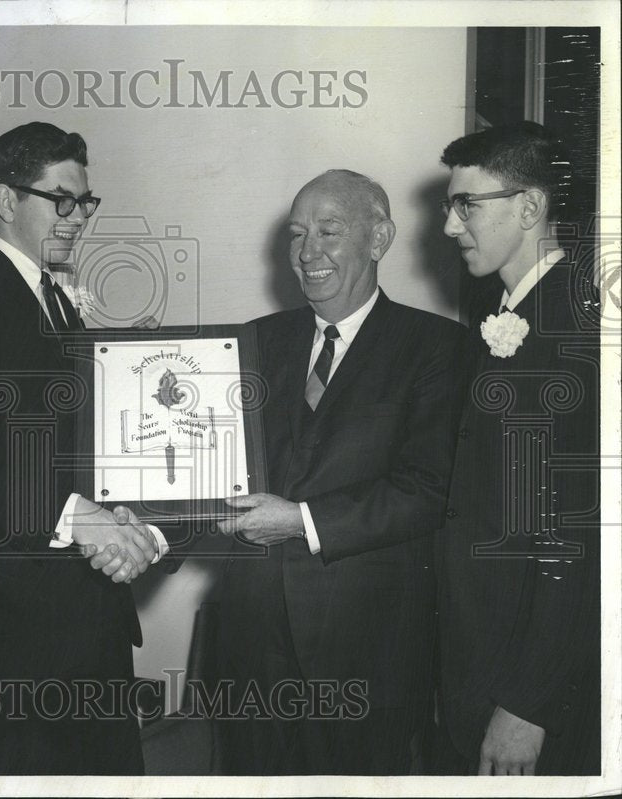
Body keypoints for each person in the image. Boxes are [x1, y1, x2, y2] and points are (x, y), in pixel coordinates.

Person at [0, 121, 164, 775]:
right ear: (5, 200)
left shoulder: (53, 299)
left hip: (81, 620)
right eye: (60, 198)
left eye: (85, 201)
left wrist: (131, 520)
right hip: (12, 633)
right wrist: (81, 517)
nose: (77, 217)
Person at [214, 169, 467, 775]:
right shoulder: (250, 342)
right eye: (298, 234)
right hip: (253, 641)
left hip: (370, 649)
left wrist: (300, 521)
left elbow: (429, 488)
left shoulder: (438, 347)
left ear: (379, 239)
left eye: (329, 231)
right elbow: (216, 470)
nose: (307, 253)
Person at [434, 121, 600, 776]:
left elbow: (579, 540)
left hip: (529, 691)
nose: (450, 227)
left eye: (465, 204)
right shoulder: (509, 319)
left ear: (530, 207)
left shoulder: (571, 336)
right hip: (483, 660)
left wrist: (528, 703)